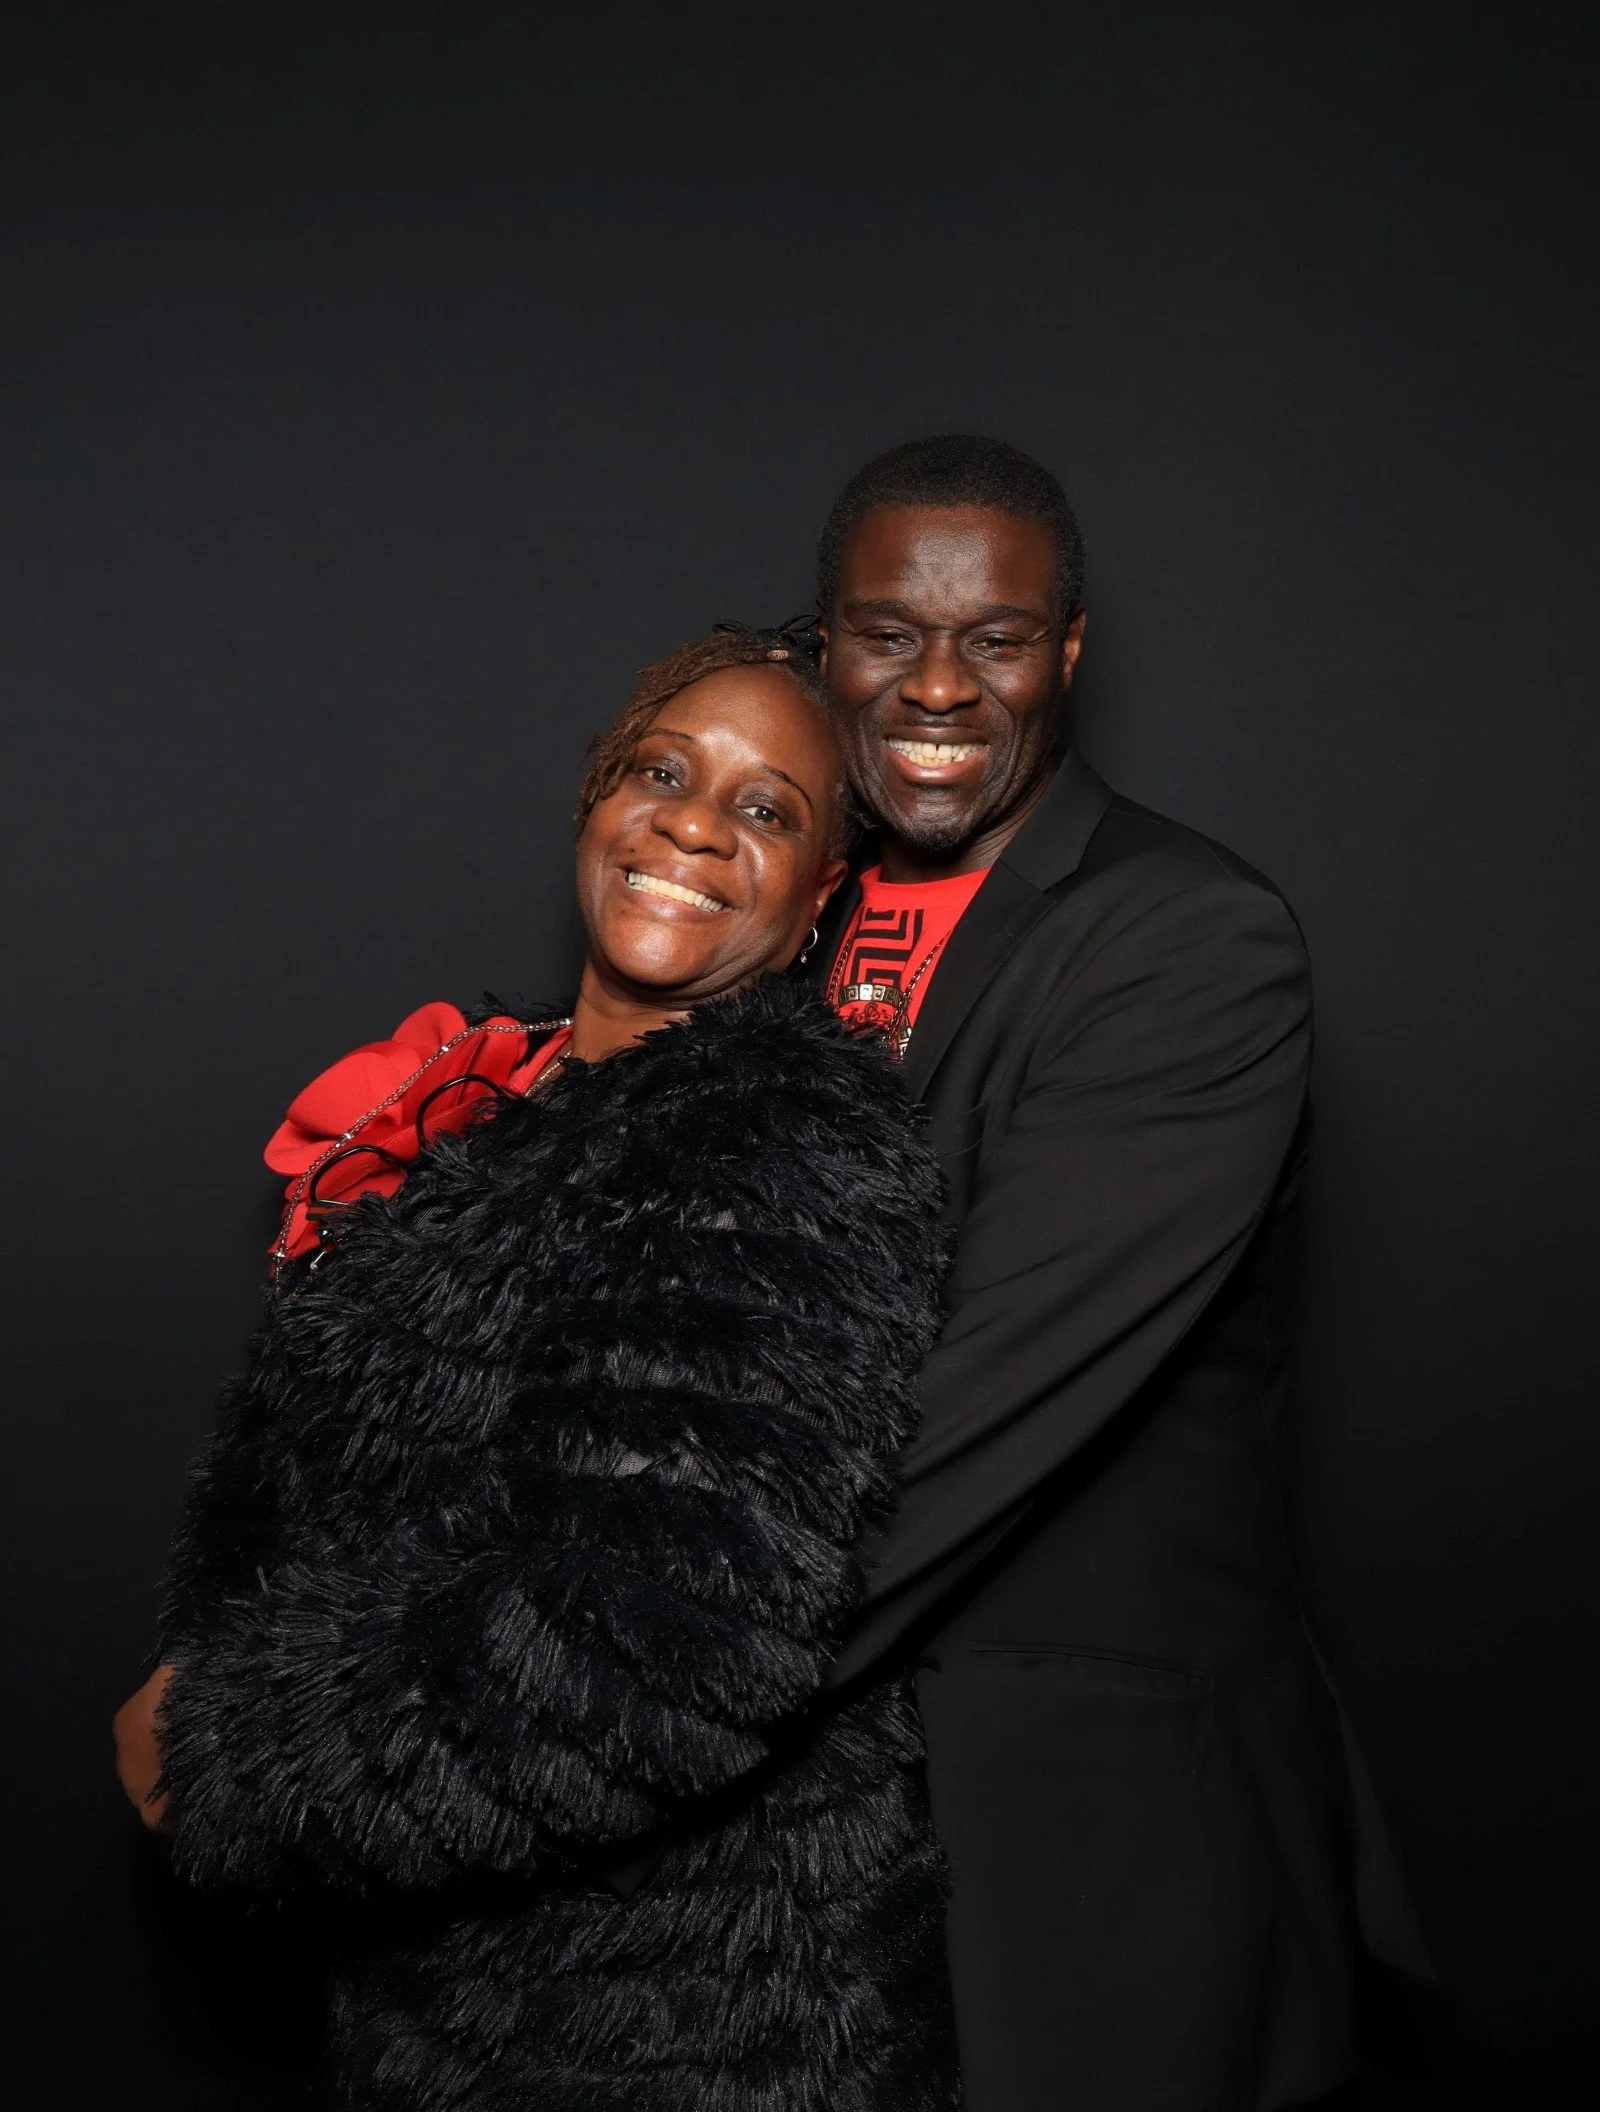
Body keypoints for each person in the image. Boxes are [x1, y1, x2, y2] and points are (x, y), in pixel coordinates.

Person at [113, 629, 963, 2112]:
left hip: (685, 2027)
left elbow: (658, 1640)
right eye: (664, 771)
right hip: (446, 1993)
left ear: (824, 892)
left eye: (769, 811)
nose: (697, 821)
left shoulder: (778, 1143)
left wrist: (230, 1753)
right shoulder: (501, 1101)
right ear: (594, 801)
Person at [808, 436, 1430, 2112]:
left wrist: (511, 1702)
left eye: (997, 640)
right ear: (823, 650)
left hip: (1094, 1846)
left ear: (1066, 654)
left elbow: (957, 1419)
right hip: (808, 1865)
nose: (939, 685)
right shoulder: (774, 921)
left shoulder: (1185, 935)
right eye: (887, 632)